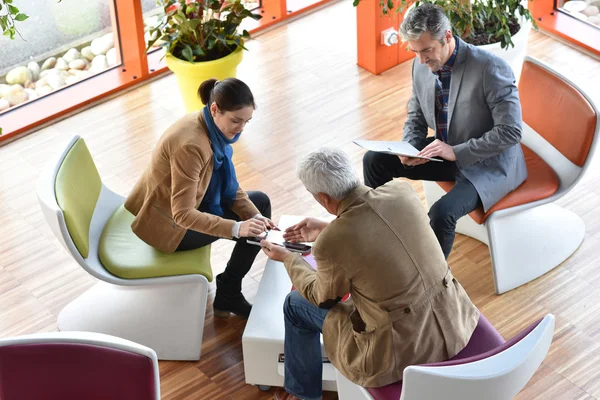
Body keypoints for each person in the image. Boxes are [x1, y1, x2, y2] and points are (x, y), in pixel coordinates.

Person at [261, 147, 479, 400]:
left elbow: (321, 297)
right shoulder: (402, 192)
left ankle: (303, 394)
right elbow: (381, 226)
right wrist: (329, 228)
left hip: (401, 350)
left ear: (323, 198)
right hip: (455, 320)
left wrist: (289, 258)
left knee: (294, 305)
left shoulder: (332, 243)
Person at [362, 3, 527, 259]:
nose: (421, 59)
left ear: (447, 37)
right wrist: (409, 147)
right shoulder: (421, 64)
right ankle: (383, 234)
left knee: (442, 213)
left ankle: (432, 285)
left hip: (488, 165)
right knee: (374, 160)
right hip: (446, 149)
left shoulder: (490, 68)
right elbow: (416, 115)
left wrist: (456, 151)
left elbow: (511, 132)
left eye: (427, 50)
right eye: (415, 51)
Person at [124, 77, 276, 319]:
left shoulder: (209, 127)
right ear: (215, 109)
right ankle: (229, 291)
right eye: (236, 121)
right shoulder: (192, 145)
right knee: (251, 226)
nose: (241, 129)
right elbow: (182, 214)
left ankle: (228, 288)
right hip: (168, 227)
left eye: (246, 121)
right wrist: (238, 228)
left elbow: (229, 186)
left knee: (259, 207)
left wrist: (253, 216)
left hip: (187, 205)